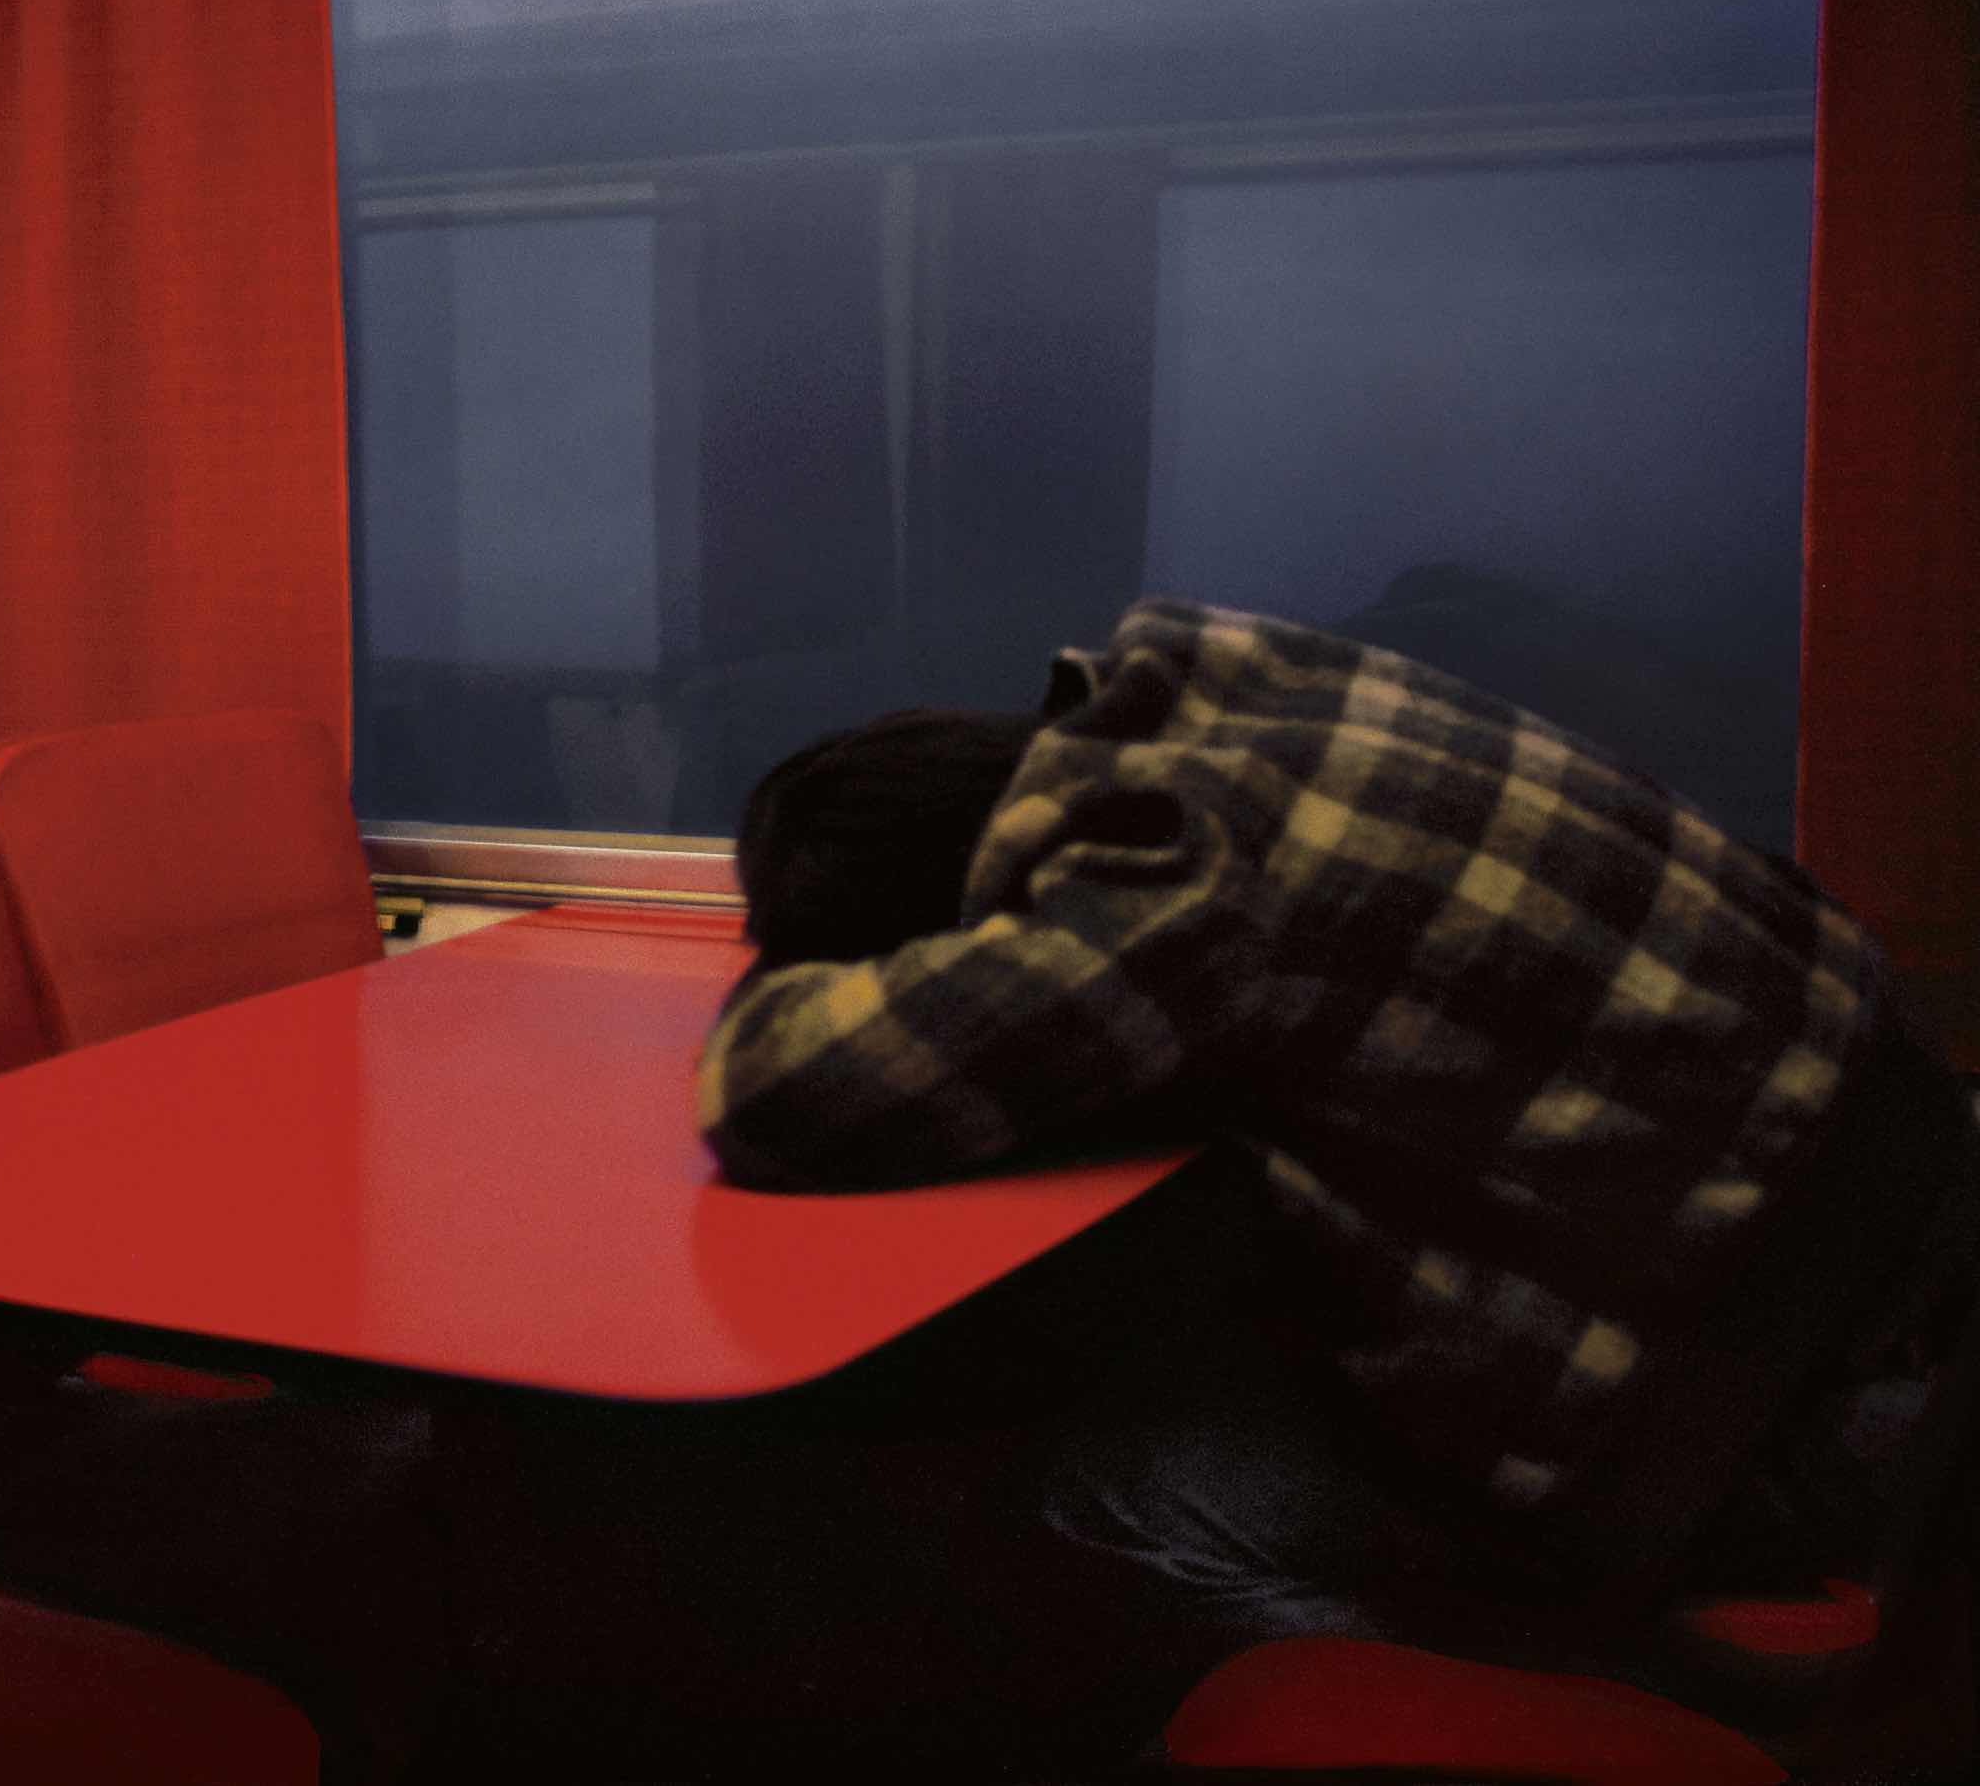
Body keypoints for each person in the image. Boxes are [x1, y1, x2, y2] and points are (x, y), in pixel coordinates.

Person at [704, 596, 1977, 1742]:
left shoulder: (1161, 879)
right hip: (1913, 1209)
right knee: (1244, 1298)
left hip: (1815, 1411)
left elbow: (773, 1089)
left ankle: (1580, 1698)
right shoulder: (1235, 678)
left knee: (1100, 1497)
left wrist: (820, 978)